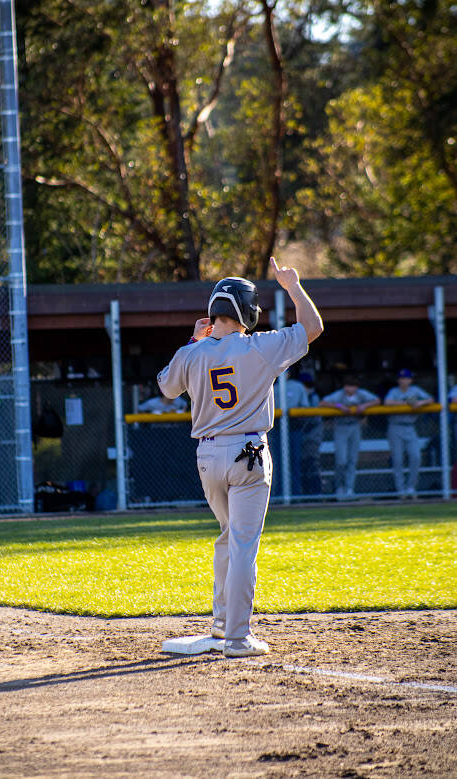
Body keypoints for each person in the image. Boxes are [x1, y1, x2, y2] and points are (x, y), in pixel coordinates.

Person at [157, 259, 323, 657]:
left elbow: (166, 388)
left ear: (215, 312)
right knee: (243, 545)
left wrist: (195, 342)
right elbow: (313, 327)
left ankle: (219, 627)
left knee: (228, 539)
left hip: (207, 455)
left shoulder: (192, 352)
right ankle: (236, 638)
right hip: (247, 452)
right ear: (245, 312)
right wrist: (293, 286)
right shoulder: (258, 345)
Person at [319, 376, 380, 500]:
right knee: (341, 460)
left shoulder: (361, 394)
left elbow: (377, 401)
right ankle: (339, 487)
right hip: (341, 427)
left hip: (355, 427)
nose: (350, 388)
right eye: (348, 385)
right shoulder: (339, 395)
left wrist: (365, 406)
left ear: (356, 387)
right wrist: (338, 406)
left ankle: (349, 489)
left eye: (352, 386)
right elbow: (322, 403)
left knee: (352, 460)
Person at [384, 369, 433, 498]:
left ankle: (411, 487)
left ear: (410, 380)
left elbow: (431, 400)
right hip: (395, 427)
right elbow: (387, 402)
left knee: (416, 457)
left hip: (410, 427)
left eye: (406, 378)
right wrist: (406, 403)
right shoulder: (394, 391)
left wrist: (420, 402)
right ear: (398, 380)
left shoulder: (415, 390)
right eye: (401, 378)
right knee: (398, 460)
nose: (404, 381)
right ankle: (401, 490)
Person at [298, 372, 323, 496]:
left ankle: (315, 493)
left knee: (312, 463)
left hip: (312, 436)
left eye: (308, 385)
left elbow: (314, 420)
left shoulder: (313, 396)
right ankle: (306, 493)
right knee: (302, 465)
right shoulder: (299, 394)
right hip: (301, 436)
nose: (307, 387)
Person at [285, 377, 308, 496]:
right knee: (275, 463)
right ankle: (277, 494)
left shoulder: (297, 386)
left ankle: (295, 494)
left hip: (294, 428)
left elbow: (305, 406)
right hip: (275, 429)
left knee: (294, 461)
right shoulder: (270, 384)